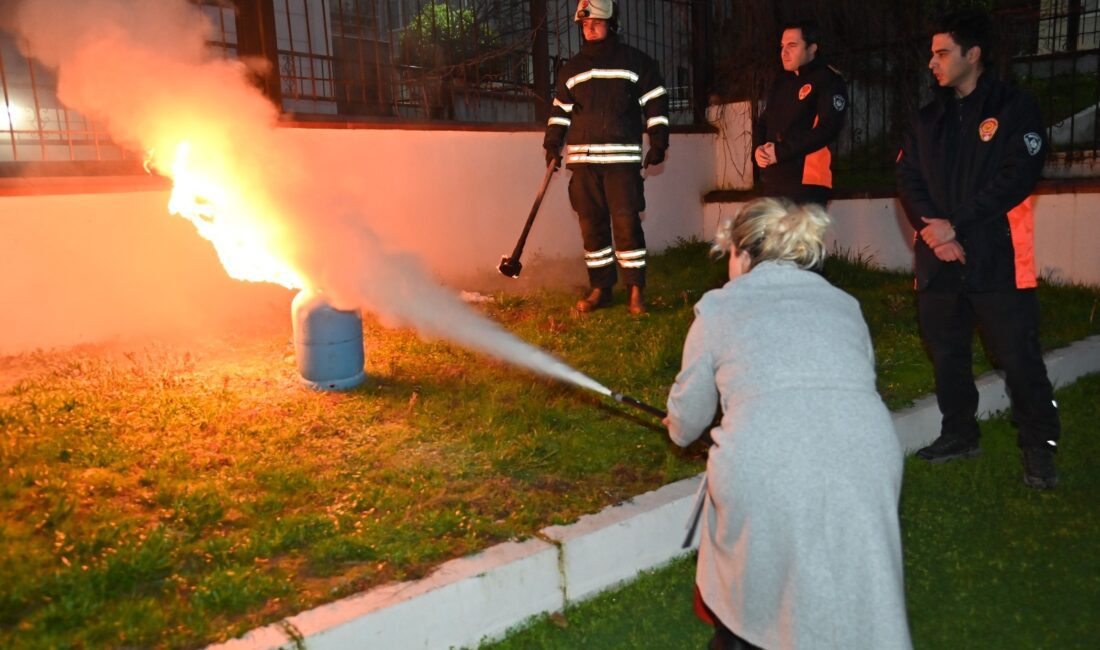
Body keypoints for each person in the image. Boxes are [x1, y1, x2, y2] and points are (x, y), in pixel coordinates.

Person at [665, 198, 911, 650]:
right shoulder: (845, 304)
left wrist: (676, 418)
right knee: (851, 581)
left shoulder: (718, 308)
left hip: (766, 460)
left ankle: (743, 636)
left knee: (751, 585)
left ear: (742, 252)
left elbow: (684, 425)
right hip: (868, 454)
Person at [896, 9, 1060, 489]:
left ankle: (1040, 447)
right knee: (947, 353)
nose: (933, 62)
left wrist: (957, 226)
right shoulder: (928, 119)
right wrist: (934, 232)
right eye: (931, 54)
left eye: (942, 52)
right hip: (938, 259)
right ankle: (959, 434)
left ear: (973, 54)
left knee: (1017, 356)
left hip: (997, 256)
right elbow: (907, 177)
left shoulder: (1015, 108)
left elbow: (1018, 177)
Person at [543, 0, 669, 315]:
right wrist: (552, 145)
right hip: (584, 166)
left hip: (621, 166)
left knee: (627, 225)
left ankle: (635, 290)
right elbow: (560, 112)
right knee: (592, 228)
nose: (591, 28)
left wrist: (658, 141)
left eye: (597, 23)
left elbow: (656, 102)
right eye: (585, 25)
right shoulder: (571, 70)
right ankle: (601, 288)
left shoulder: (636, 62)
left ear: (612, 24)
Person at [753, 20, 848, 207]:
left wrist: (780, 151)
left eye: (792, 45)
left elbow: (828, 129)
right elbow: (764, 121)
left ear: (812, 48)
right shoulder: (781, 81)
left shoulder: (828, 79)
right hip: (774, 180)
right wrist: (758, 150)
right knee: (771, 237)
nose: (784, 52)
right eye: (782, 46)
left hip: (807, 183)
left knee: (800, 237)